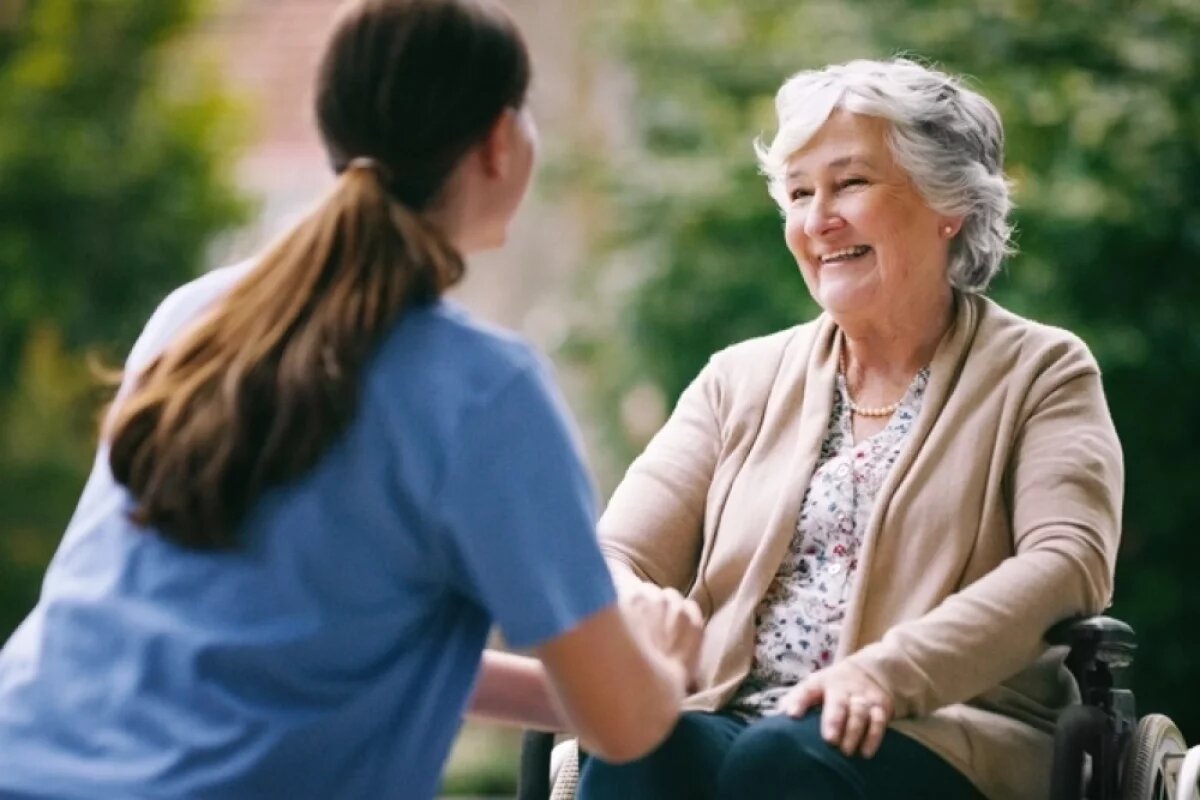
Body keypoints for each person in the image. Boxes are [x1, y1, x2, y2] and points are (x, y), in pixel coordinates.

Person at [0, 1, 702, 798]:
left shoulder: (195, 316)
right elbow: (625, 727)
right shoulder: (485, 393)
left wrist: (577, 687)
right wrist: (662, 670)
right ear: (499, 144)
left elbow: (325, 646)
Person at [576, 58, 1123, 800]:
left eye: (850, 184)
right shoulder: (738, 379)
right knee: (638, 749)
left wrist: (888, 672)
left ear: (948, 202)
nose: (817, 219)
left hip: (941, 728)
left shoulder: (1042, 371)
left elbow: (1068, 561)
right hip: (734, 715)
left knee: (783, 763)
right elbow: (614, 553)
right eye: (799, 194)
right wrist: (634, 605)